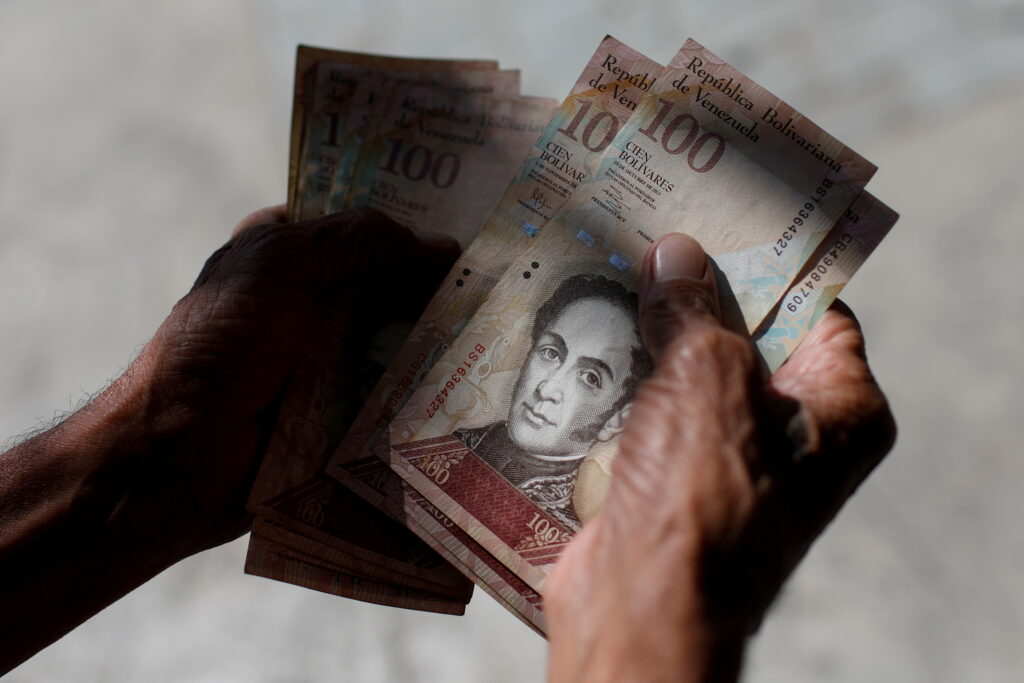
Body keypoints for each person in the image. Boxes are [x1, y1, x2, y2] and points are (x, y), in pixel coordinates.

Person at [0, 207, 895, 681]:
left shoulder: (590, 492)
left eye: (590, 376)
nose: (547, 382)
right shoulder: (445, 437)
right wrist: (669, 598)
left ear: (622, 410)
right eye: (551, 351)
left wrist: (144, 456)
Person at [455, 273, 653, 530]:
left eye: (590, 378)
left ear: (617, 418)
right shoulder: (448, 443)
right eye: (551, 353)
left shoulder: (570, 536)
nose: (548, 388)